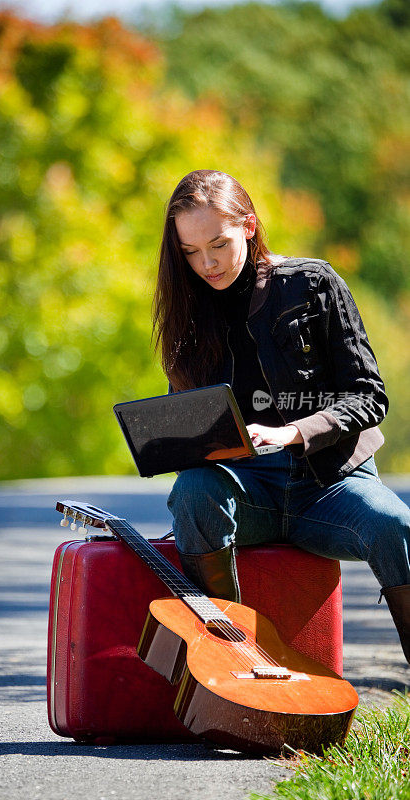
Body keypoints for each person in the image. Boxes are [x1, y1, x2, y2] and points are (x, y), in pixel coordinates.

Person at [152, 169, 410, 665]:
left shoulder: (313, 283)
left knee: (394, 523)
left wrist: (293, 431)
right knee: (192, 492)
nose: (206, 263)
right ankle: (233, 662)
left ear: (249, 225)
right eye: (190, 252)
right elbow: (192, 425)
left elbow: (368, 396)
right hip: (246, 492)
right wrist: (168, 439)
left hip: (330, 484)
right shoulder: (186, 310)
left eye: (218, 244)